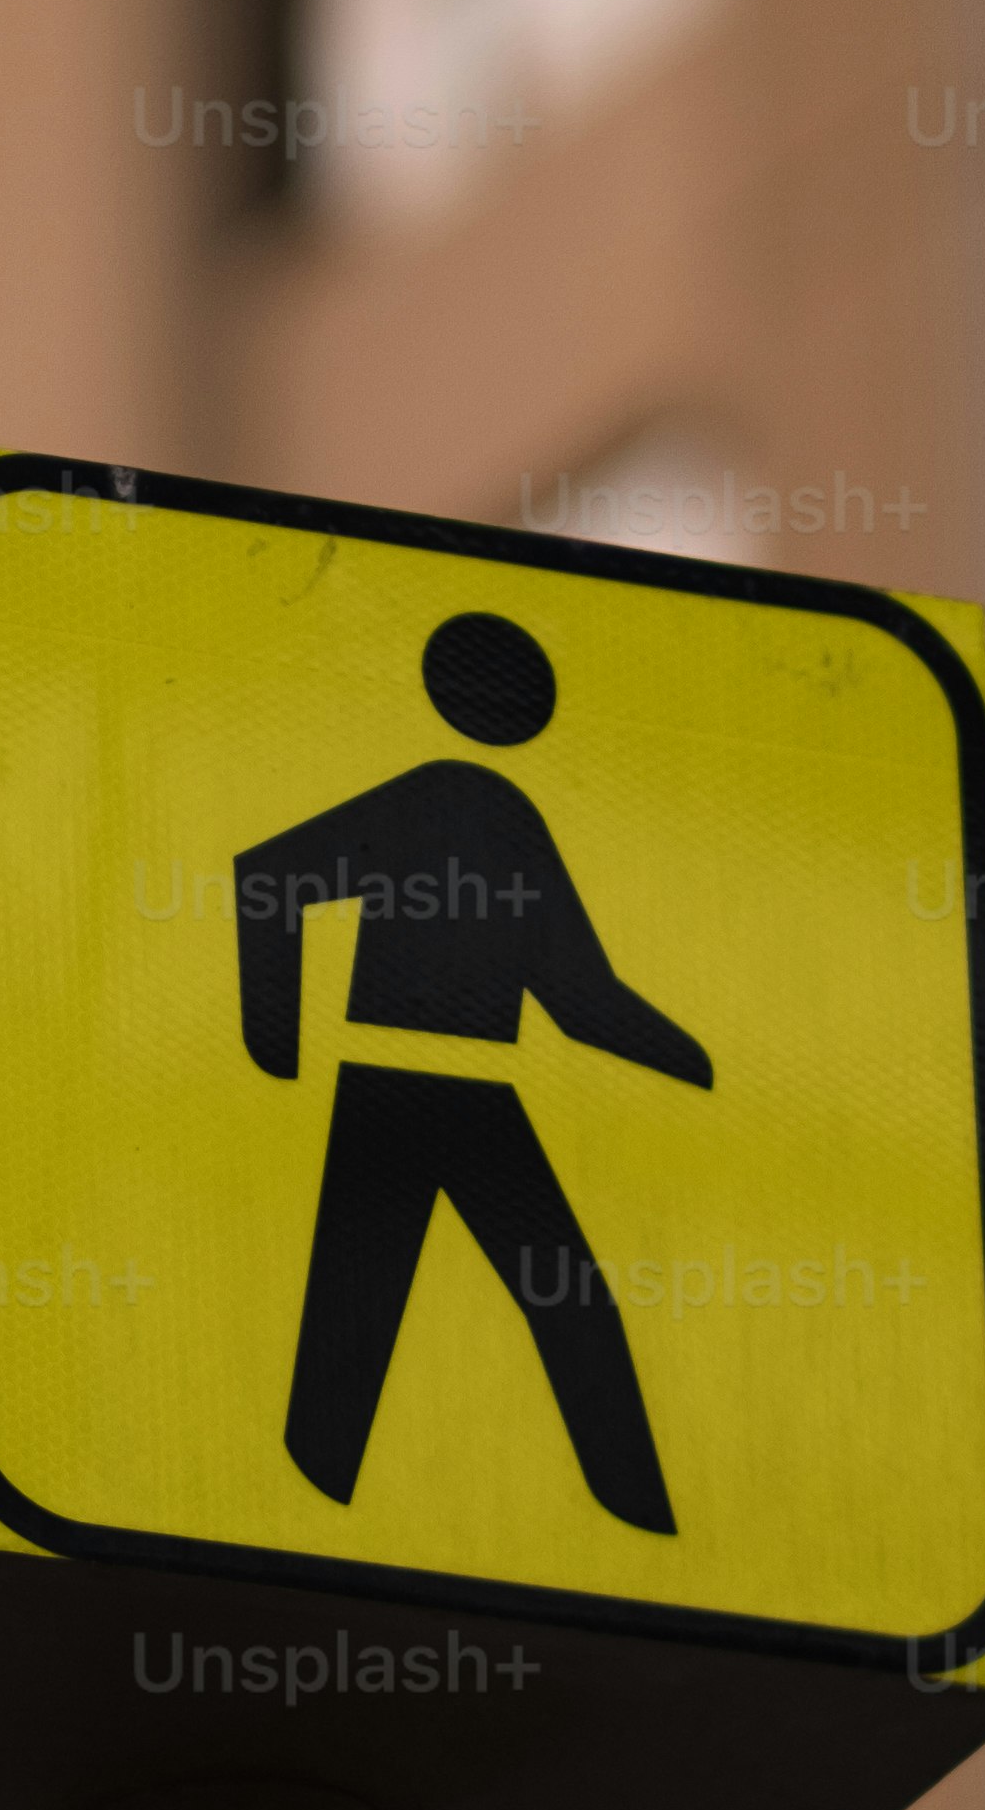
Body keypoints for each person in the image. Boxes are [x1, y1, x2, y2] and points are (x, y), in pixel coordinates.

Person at [229, 610, 710, 1528]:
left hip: (463, 1093)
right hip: (398, 1087)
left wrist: (698, 1064)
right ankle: (297, 1527)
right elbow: (272, 879)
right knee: (370, 1307)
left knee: (545, 1296)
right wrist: (274, 1045)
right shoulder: (440, 798)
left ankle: (639, 1520)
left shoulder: (505, 817)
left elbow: (578, 997)